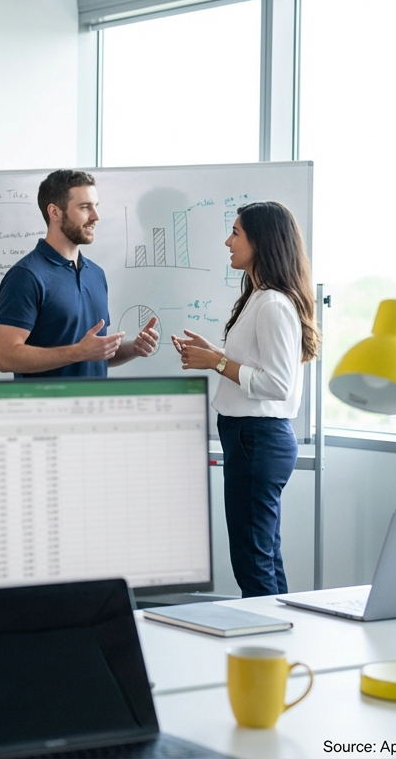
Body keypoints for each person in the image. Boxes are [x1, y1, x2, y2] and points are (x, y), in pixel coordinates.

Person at [173, 201, 318, 598]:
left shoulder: (272, 304)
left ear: (260, 240)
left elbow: (278, 384)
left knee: (253, 563)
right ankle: (281, 648)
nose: (227, 241)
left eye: (235, 233)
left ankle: (267, 653)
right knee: (263, 557)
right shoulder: (260, 297)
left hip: (257, 439)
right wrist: (213, 354)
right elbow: (256, 365)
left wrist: (217, 362)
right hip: (250, 438)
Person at [0, 169, 160, 377]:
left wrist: (133, 348)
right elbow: (6, 357)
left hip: (94, 407)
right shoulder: (26, 275)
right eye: (85, 207)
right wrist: (78, 352)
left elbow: (94, 353)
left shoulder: (96, 274)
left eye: (96, 206)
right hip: (46, 408)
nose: (95, 216)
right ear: (55, 212)